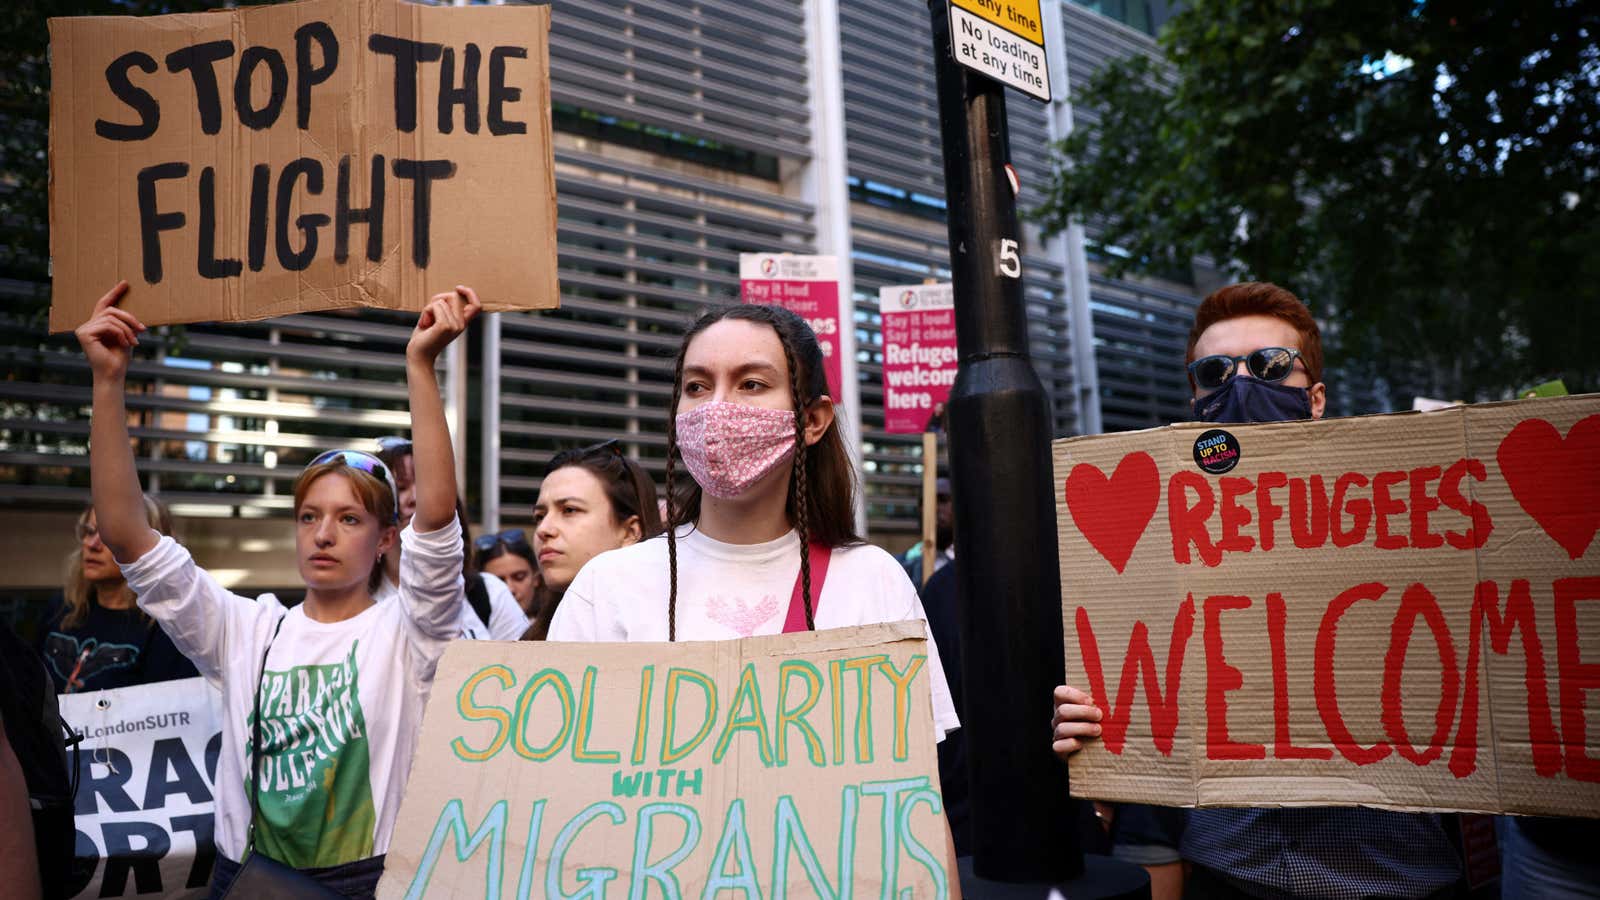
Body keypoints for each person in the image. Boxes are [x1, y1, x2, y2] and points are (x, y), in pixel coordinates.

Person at [1051, 282, 1464, 900]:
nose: (1240, 384)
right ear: (1196, 399)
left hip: (1399, 881)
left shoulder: (1413, 527)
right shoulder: (1150, 549)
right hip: (1230, 878)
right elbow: (1145, 729)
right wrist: (1100, 730)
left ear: (1315, 397)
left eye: (1270, 365)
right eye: (1215, 371)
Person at [78, 280, 477, 898]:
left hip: (370, 881)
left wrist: (420, 365)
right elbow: (129, 537)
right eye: (309, 516)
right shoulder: (248, 629)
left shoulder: (411, 631)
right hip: (251, 880)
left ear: (385, 541)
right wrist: (108, 383)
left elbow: (437, 521)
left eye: (349, 519)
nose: (323, 534)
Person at [546, 303, 964, 886]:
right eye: (697, 386)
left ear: (813, 420)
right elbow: (560, 797)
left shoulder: (873, 580)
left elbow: (916, 803)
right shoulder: (609, 587)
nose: (717, 408)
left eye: (751, 383)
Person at [37, 498, 199, 693]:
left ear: (148, 549)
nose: (92, 544)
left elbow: (169, 713)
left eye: (108, 535)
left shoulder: (166, 629)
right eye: (89, 532)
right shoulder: (62, 608)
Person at [375, 438, 528, 641]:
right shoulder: (355, 597)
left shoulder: (489, 594)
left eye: (426, 486)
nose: (415, 498)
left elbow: (523, 669)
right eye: (401, 488)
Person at [520, 440, 662, 640]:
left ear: (630, 532)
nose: (543, 530)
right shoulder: (528, 644)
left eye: (569, 510)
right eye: (539, 516)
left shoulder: (671, 628)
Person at [472, 528, 542, 616]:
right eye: (497, 582)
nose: (510, 589)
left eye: (519, 577)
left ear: (536, 578)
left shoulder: (559, 625)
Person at [899, 476, 954, 586]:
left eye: (943, 500)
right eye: (927, 501)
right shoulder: (899, 568)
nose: (935, 508)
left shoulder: (976, 566)